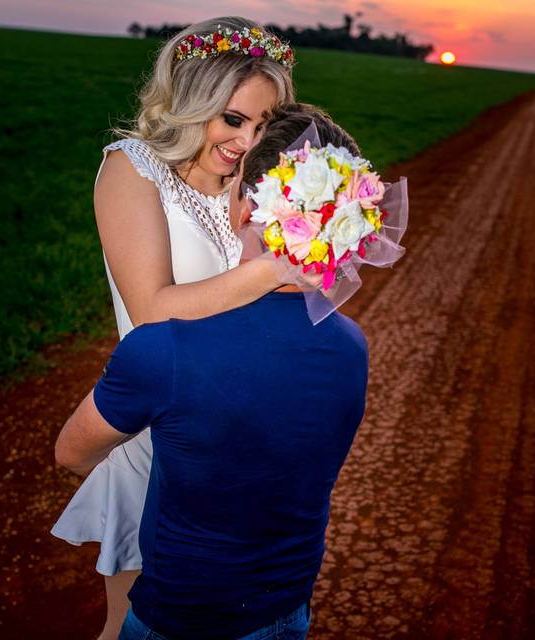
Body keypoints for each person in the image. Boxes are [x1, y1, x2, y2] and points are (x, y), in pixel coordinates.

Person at [54, 105, 369, 639]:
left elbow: (72, 454)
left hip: (178, 618)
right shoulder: (351, 346)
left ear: (247, 207)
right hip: (286, 612)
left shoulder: (165, 349)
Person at [50, 17, 296, 639]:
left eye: (265, 124)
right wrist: (278, 266)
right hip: (160, 423)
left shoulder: (254, 182)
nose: (248, 141)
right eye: (233, 119)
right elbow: (153, 306)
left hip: (238, 429)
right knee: (135, 621)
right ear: (193, 101)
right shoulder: (131, 170)